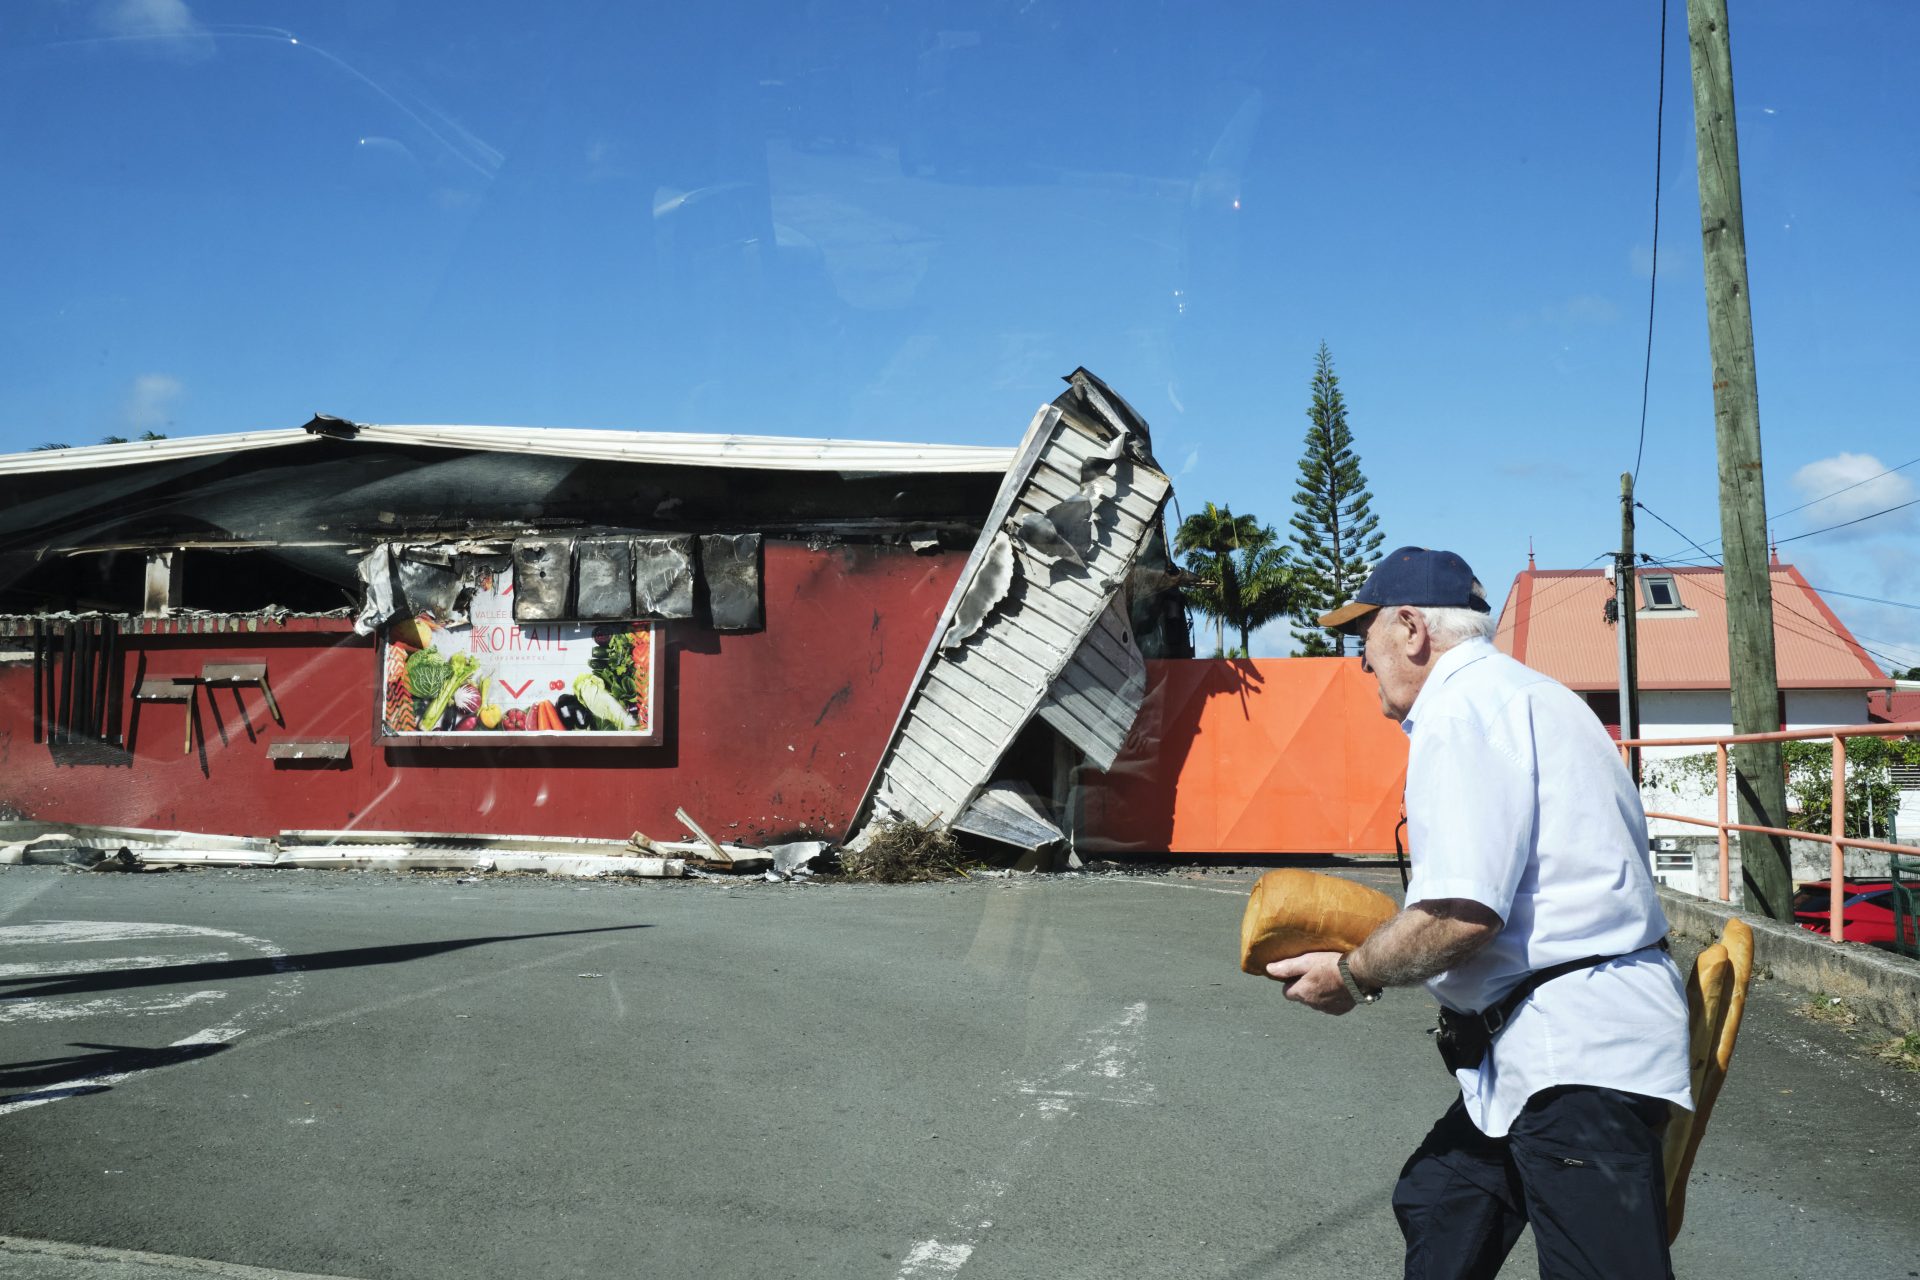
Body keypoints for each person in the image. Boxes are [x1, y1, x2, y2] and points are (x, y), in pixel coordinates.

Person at [1266, 546, 1691, 1280]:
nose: (1360, 661)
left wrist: (1353, 974)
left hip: (1575, 1058)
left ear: (1409, 629)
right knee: (1439, 1199)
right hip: (1546, 1045)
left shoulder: (1459, 710)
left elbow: (1461, 913)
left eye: (1360, 637)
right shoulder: (1527, 693)